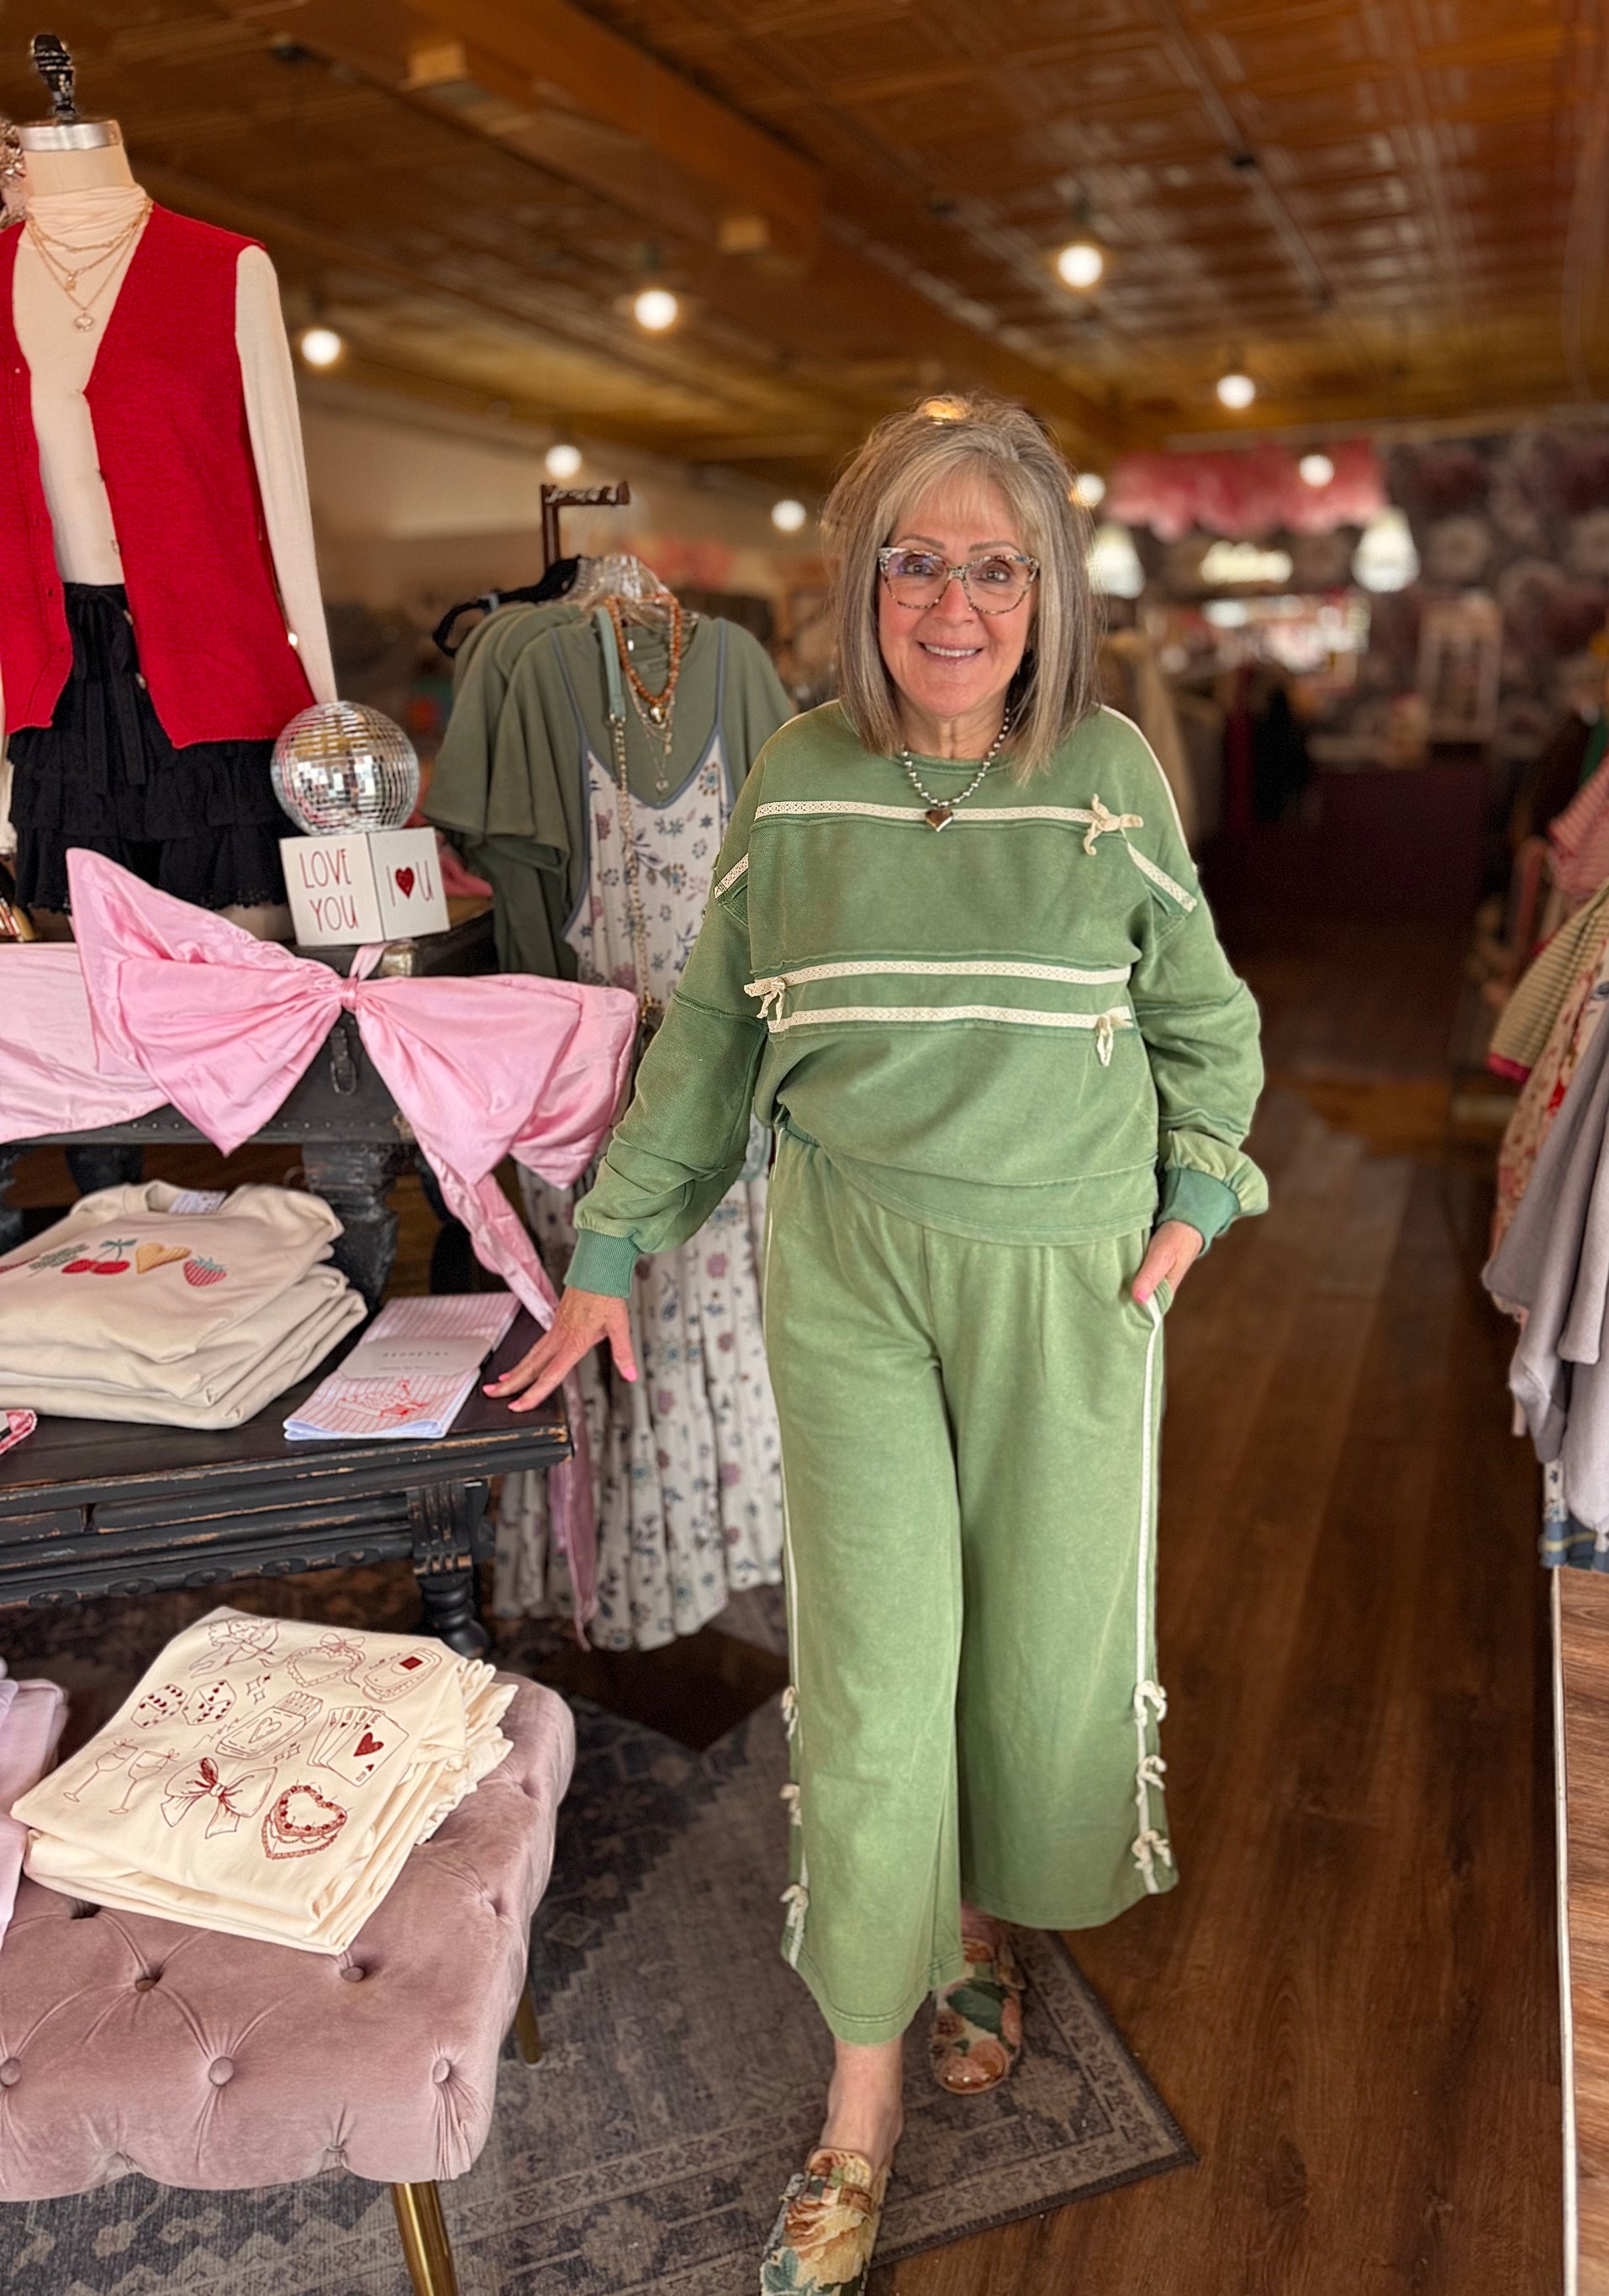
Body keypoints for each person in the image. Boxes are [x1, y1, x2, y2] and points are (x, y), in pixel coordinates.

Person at [488, 393, 1267, 2293]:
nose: (952, 603)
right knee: (871, 1665)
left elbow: (1206, 1017)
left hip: (1069, 1272)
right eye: (917, 561)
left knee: (1038, 1636)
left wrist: (1196, 1199)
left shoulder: (1109, 771)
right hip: (847, 1271)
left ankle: (976, 1921)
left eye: (995, 566)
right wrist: (611, 1245)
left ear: (1047, 592)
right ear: (864, 582)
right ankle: (860, 2101)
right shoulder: (800, 774)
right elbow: (711, 1039)